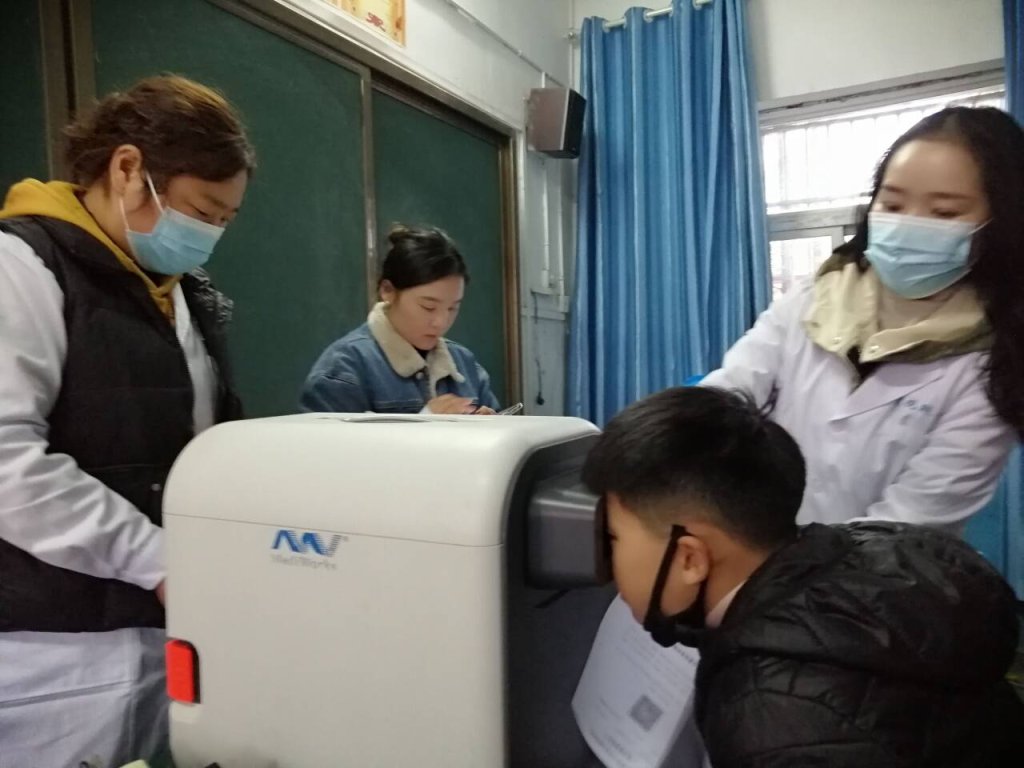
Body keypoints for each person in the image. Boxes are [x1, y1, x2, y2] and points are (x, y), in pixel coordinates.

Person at [0, 75, 254, 766]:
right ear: (127, 168)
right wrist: (153, 557)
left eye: (225, 220)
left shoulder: (178, 294)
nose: (209, 235)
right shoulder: (23, 267)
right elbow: (8, 462)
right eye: (201, 211)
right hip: (51, 651)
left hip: (159, 630)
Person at [583, 386, 1024, 768]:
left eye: (614, 539)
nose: (608, 561)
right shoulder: (874, 548)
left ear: (689, 559)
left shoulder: (772, 723)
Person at [703, 107, 1024, 529]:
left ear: (1000, 223)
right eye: (892, 203)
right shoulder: (816, 296)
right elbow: (728, 396)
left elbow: (904, 525)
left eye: (944, 213)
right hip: (747, 536)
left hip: (873, 568)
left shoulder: (991, 363)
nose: (908, 225)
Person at [301, 224, 501, 415]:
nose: (441, 322)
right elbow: (322, 440)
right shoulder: (345, 367)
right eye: (428, 307)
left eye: (452, 308)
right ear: (387, 290)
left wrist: (491, 426)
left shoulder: (464, 363)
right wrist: (425, 422)